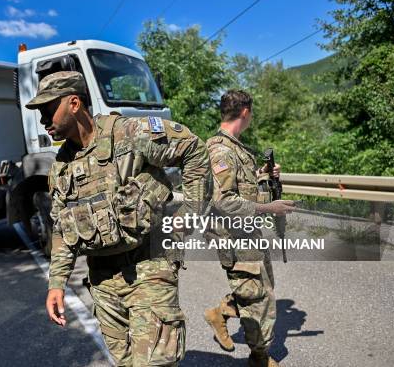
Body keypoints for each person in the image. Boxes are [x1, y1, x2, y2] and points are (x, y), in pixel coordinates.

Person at [25, 71, 210, 366]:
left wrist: (191, 214)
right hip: (102, 279)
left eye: (48, 110)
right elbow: (62, 226)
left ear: (74, 103)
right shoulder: (61, 167)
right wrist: (56, 284)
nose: (44, 121)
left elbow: (193, 149)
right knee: (124, 362)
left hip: (149, 266)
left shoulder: (130, 133)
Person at [202, 89, 295, 367]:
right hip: (234, 237)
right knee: (258, 297)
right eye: (251, 113)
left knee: (259, 288)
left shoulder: (234, 148)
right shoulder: (221, 150)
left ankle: (220, 313)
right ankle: (259, 358)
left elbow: (240, 186)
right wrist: (269, 209)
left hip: (247, 234)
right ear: (245, 112)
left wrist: (264, 175)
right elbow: (224, 200)